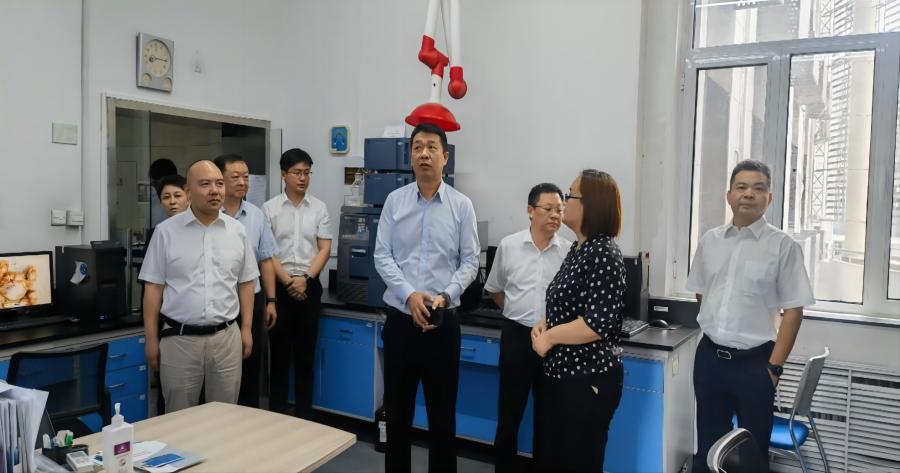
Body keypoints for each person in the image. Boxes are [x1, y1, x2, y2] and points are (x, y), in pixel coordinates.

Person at [687, 159, 814, 472]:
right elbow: (702, 293)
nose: (748, 194)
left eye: (758, 188)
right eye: (741, 187)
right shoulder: (710, 240)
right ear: (729, 195)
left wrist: (774, 368)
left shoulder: (783, 246)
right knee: (708, 448)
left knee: (752, 455)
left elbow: (794, 312)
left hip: (756, 365)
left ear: (769, 198)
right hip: (710, 359)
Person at [374, 123, 480, 473]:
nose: (423, 153)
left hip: (442, 324)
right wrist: (409, 296)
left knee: (442, 418)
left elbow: (470, 261)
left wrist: (446, 296)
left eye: (432, 147)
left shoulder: (461, 206)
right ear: (410, 156)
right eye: (417, 147)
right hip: (401, 324)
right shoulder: (395, 201)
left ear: (445, 157)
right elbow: (382, 256)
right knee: (398, 415)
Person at [139, 160, 258, 412]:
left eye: (219, 184)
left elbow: (247, 282)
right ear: (189, 191)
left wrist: (246, 328)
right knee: (179, 418)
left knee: (225, 415)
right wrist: (151, 339)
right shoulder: (165, 232)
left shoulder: (237, 231)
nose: (215, 190)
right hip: (179, 340)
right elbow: (153, 289)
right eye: (205, 184)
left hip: (226, 338)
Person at [531, 169, 626, 472]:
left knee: (579, 461)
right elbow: (567, 301)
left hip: (587, 379)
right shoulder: (579, 248)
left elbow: (596, 323)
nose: (564, 202)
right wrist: (546, 322)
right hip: (564, 376)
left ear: (591, 205)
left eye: (570, 195)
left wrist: (549, 337)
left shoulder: (604, 252)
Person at [485, 183, 569, 473]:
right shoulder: (509, 246)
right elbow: (495, 289)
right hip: (517, 337)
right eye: (549, 209)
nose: (556, 215)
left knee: (548, 420)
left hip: (553, 342)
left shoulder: (569, 252)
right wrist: (514, 310)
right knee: (509, 416)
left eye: (560, 209)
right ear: (531, 211)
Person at [262, 148, 332, 418]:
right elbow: (268, 252)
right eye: (297, 173)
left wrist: (305, 279)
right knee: (279, 357)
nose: (303, 178)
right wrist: (288, 282)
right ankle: (277, 415)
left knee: (305, 356)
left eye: (307, 173)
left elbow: (324, 248)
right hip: (278, 289)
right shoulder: (270, 209)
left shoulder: (319, 208)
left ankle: (305, 416)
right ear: (284, 175)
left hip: (309, 286)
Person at [214, 154, 279, 408]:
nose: (242, 182)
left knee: (251, 364)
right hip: (220, 300)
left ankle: (249, 417)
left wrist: (271, 300)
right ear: (220, 180)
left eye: (245, 177)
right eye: (235, 177)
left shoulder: (255, 215)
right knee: (219, 370)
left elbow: (266, 259)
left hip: (252, 298)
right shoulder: (208, 215)